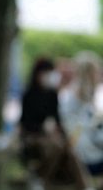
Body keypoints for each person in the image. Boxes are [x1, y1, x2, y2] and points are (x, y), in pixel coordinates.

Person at [19, 57, 90, 189]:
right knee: (56, 147)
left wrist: (63, 134)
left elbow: (57, 119)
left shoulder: (52, 94)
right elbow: (25, 122)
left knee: (70, 150)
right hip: (33, 135)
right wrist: (42, 128)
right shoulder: (29, 95)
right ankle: (41, 179)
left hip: (52, 136)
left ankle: (84, 186)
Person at [60, 51, 103, 177]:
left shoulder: (76, 91)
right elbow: (84, 127)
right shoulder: (80, 92)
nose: (99, 75)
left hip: (81, 147)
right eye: (96, 71)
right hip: (84, 154)